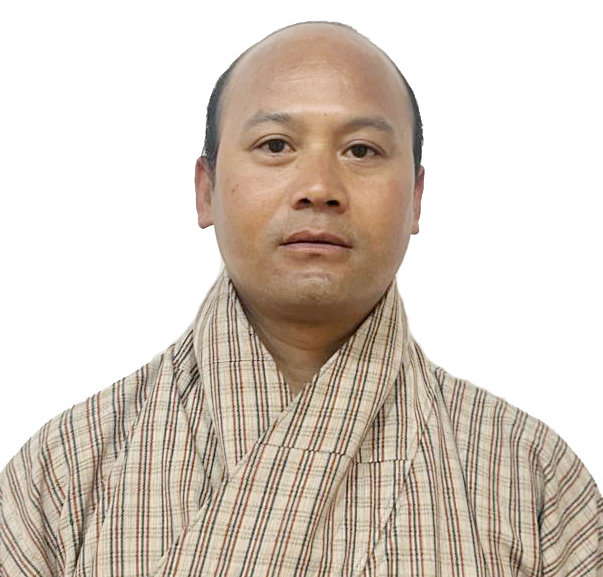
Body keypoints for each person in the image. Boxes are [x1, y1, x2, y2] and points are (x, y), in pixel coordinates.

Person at [1, 20, 601, 576]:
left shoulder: (535, 477)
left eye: (361, 150)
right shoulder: (64, 471)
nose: (318, 187)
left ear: (417, 198)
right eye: (275, 145)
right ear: (206, 190)